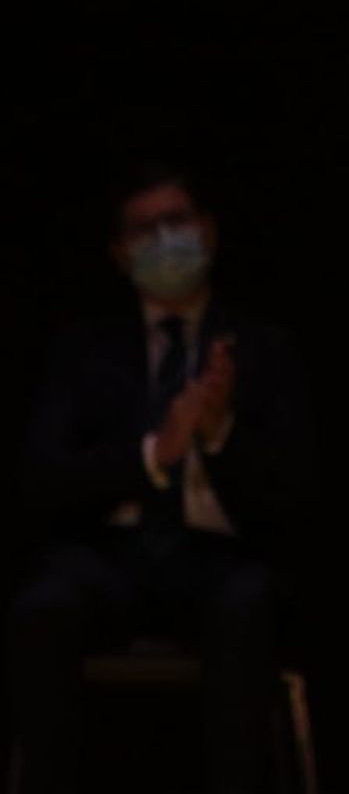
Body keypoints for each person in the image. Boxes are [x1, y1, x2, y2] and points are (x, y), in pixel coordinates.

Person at [6, 165, 315, 794]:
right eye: (145, 230)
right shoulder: (82, 349)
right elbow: (43, 483)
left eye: (176, 221)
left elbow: (295, 496)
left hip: (222, 557)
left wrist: (219, 433)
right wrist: (156, 452)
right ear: (120, 253)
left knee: (248, 601)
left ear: (208, 230)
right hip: (109, 558)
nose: (164, 239)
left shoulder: (262, 347)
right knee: (43, 605)